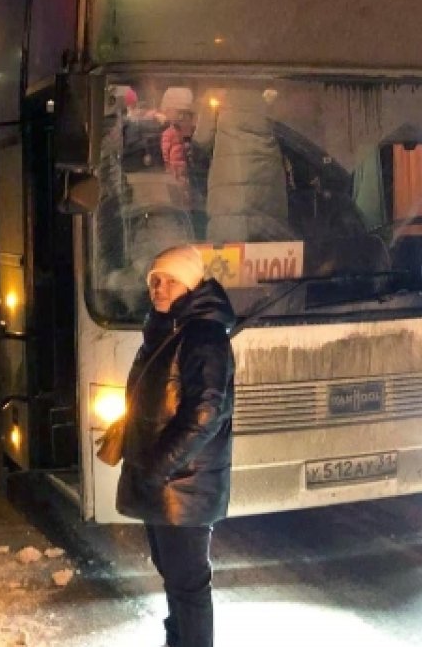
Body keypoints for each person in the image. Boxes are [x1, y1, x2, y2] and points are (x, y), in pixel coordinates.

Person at [116, 245, 236, 647]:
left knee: (188, 585)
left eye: (169, 280)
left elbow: (205, 412)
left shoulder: (202, 335)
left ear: (191, 284)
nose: (159, 288)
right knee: (174, 577)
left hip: (183, 481)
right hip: (168, 480)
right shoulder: (169, 329)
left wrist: (156, 467)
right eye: (154, 281)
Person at [192, 87, 294, 243]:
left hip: (229, 202)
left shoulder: (216, 96)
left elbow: (202, 140)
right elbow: (290, 139)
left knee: (227, 258)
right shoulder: (269, 99)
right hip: (268, 196)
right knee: (265, 257)